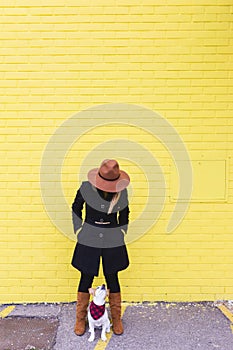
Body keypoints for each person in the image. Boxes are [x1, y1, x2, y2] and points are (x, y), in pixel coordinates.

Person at [71, 159, 130, 336]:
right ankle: (81, 319)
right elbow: (76, 207)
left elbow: (125, 211)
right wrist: (79, 228)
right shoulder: (86, 187)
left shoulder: (121, 190)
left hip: (112, 238)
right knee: (86, 275)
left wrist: (121, 230)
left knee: (112, 276)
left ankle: (116, 318)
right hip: (89, 236)